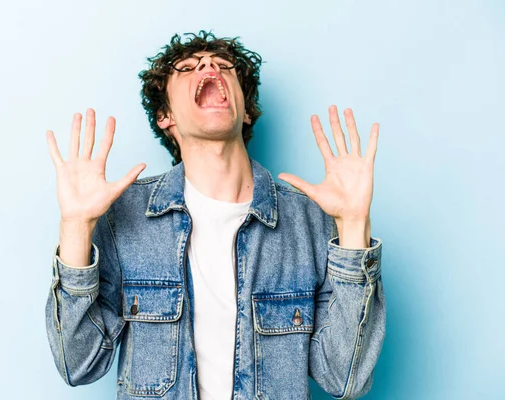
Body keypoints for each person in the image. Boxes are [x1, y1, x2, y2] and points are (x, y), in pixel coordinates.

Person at [45, 30, 384, 400]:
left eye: (224, 66)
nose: (208, 66)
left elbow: (343, 377)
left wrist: (353, 226)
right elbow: (78, 364)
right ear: (165, 115)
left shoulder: (309, 221)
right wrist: (76, 227)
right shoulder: (124, 219)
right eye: (188, 67)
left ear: (247, 109)